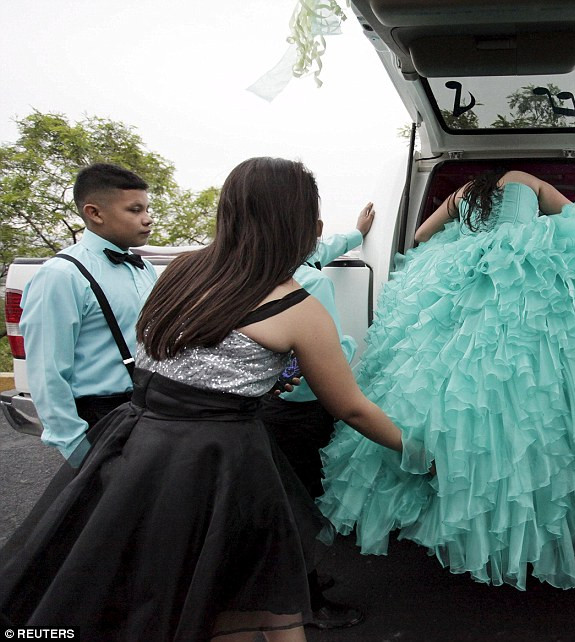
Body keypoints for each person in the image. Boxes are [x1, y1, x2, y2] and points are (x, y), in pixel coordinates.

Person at [0, 157, 414, 640]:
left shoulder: (180, 269)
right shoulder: (297, 303)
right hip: (219, 461)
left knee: (144, 592)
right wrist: (417, 450)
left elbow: (165, 352)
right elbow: (351, 407)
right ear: (299, 221)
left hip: (138, 444)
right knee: (257, 606)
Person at [319, 168, 575, 590]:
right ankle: (532, 525)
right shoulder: (527, 179)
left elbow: (420, 236)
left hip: (464, 287)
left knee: (459, 396)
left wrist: (463, 243)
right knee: (536, 398)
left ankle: (469, 520)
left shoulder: (464, 191)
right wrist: (538, 231)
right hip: (528, 292)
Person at [258, 201, 375, 630]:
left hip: (274, 409)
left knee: (291, 501)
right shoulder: (307, 282)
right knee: (300, 508)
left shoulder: (277, 266)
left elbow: (325, 248)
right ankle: (307, 603)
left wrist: (357, 234)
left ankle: (302, 582)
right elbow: (321, 355)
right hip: (301, 409)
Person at [20, 163, 156, 467]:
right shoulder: (61, 275)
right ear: (94, 213)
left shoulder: (144, 268)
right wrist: (78, 452)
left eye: (147, 208)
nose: (147, 219)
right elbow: (47, 374)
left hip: (148, 412)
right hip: (99, 417)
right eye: (134, 210)